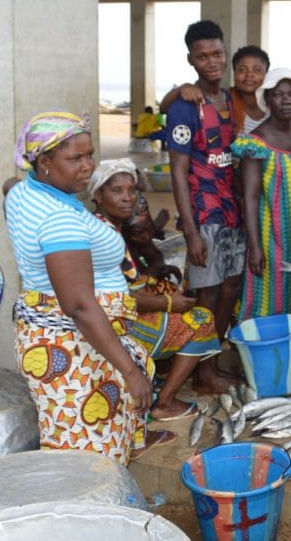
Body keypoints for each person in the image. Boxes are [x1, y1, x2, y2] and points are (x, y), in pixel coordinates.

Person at [6, 111, 162, 465]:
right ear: (43, 161)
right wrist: (131, 372)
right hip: (78, 351)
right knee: (91, 459)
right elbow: (79, 306)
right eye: (74, 158)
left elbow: (7, 187)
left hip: (50, 339)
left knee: (71, 440)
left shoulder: (23, 191)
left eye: (89, 154)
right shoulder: (60, 220)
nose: (87, 166)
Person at [88, 159, 221, 422]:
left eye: (131, 190)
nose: (127, 198)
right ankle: (166, 401)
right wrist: (168, 304)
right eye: (117, 191)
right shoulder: (103, 235)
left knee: (171, 290)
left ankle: (162, 372)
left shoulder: (107, 224)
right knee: (202, 320)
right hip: (117, 324)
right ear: (98, 195)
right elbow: (118, 298)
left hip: (117, 314)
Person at [167, 20, 241, 393]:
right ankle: (201, 373)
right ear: (191, 60)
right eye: (202, 56)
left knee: (231, 288)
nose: (211, 62)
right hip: (204, 213)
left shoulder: (231, 99)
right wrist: (191, 231)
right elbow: (177, 173)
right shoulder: (184, 107)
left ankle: (209, 362)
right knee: (207, 294)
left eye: (217, 54)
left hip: (233, 211)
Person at [231, 68, 291, 317]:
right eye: (279, 95)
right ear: (267, 99)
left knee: (287, 286)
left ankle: (285, 344)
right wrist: (255, 246)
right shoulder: (256, 141)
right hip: (265, 230)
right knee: (264, 289)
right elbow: (250, 198)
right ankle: (259, 348)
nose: (287, 101)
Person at [162, 45, 271, 135]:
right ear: (234, 74)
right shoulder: (224, 100)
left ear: (266, 75)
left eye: (257, 70)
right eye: (242, 70)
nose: (249, 75)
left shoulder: (274, 106)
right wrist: (183, 87)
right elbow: (164, 108)